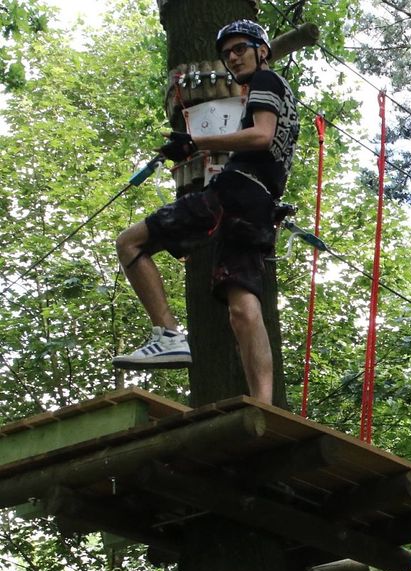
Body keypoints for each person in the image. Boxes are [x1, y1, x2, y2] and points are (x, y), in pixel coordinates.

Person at [113, 19, 299, 404]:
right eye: (227, 53)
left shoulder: (266, 82)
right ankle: (264, 404)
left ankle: (167, 335)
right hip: (259, 204)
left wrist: (193, 142)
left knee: (129, 242)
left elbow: (261, 136)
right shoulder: (280, 94)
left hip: (234, 193)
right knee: (242, 306)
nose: (232, 58)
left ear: (262, 50)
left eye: (240, 49)